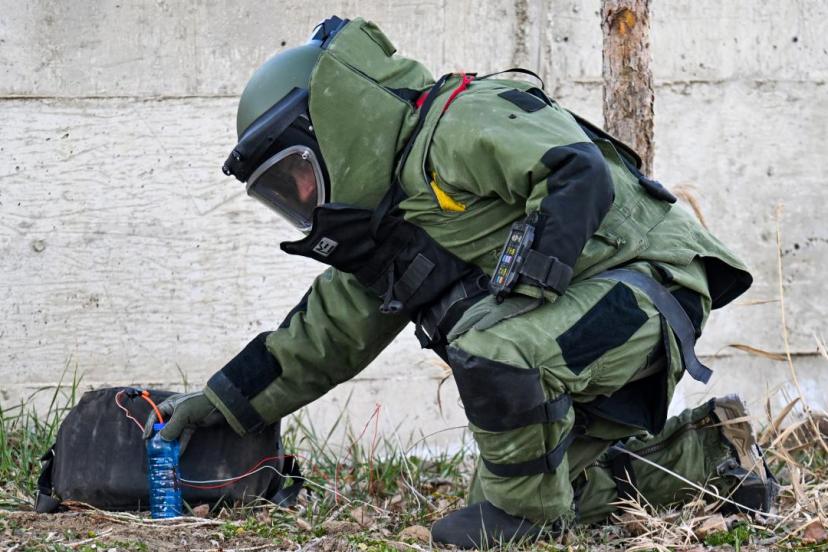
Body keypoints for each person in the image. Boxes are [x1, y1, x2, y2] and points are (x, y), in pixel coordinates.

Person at [145, 17, 777, 548]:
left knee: (494, 359)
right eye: (284, 191)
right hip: (584, 318)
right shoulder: (386, 228)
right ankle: (717, 456)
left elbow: (574, 171)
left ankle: (527, 520)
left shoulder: (455, 122)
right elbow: (322, 339)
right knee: (534, 480)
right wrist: (219, 403)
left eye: (297, 175)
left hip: (648, 287)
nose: (302, 197)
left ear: (331, 124)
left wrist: (526, 287)